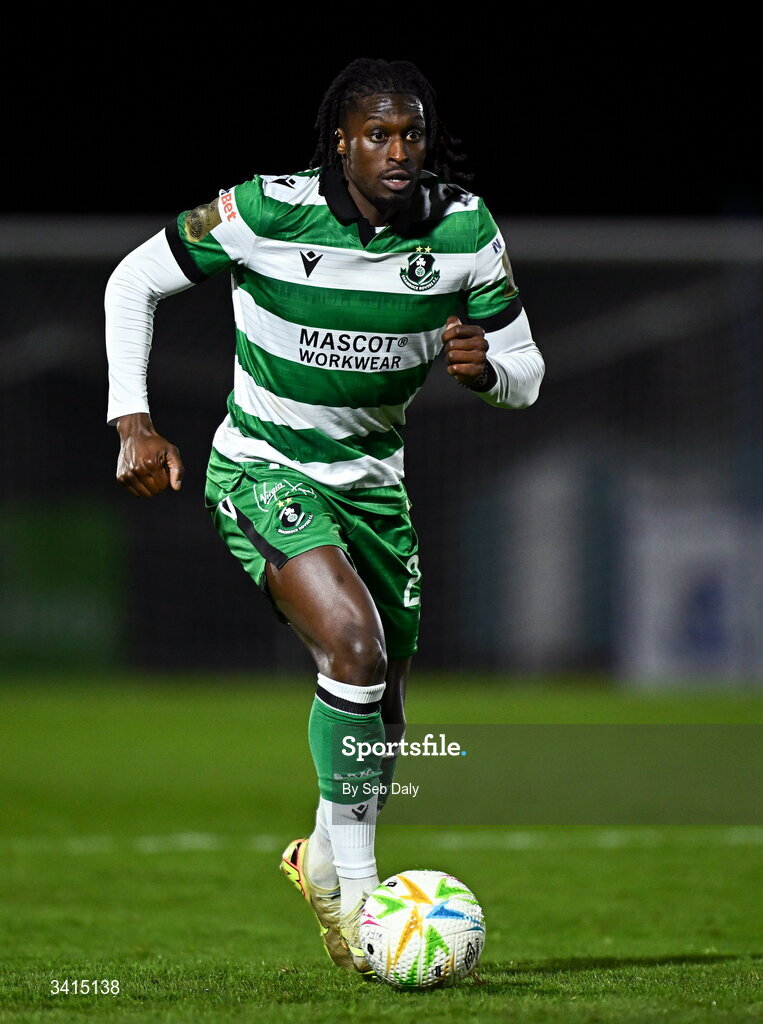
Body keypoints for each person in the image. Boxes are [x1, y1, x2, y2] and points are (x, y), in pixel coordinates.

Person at [105, 57, 544, 979]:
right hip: (263, 466)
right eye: (378, 134)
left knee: (379, 722)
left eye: (412, 133)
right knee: (352, 644)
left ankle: (318, 856)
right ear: (339, 140)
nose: (398, 151)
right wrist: (134, 420)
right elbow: (130, 283)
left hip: (373, 486)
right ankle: (359, 899)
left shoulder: (464, 229)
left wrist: (487, 374)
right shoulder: (265, 212)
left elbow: (524, 370)